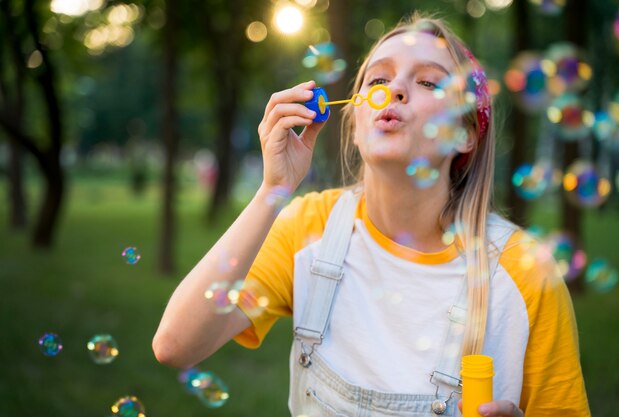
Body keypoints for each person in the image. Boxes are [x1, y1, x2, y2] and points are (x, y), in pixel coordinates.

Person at [153, 11, 590, 417]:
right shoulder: (310, 228)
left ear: (465, 134)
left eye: (430, 83)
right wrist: (273, 190)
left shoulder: (525, 276)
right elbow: (176, 345)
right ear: (356, 123)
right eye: (379, 77)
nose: (394, 88)